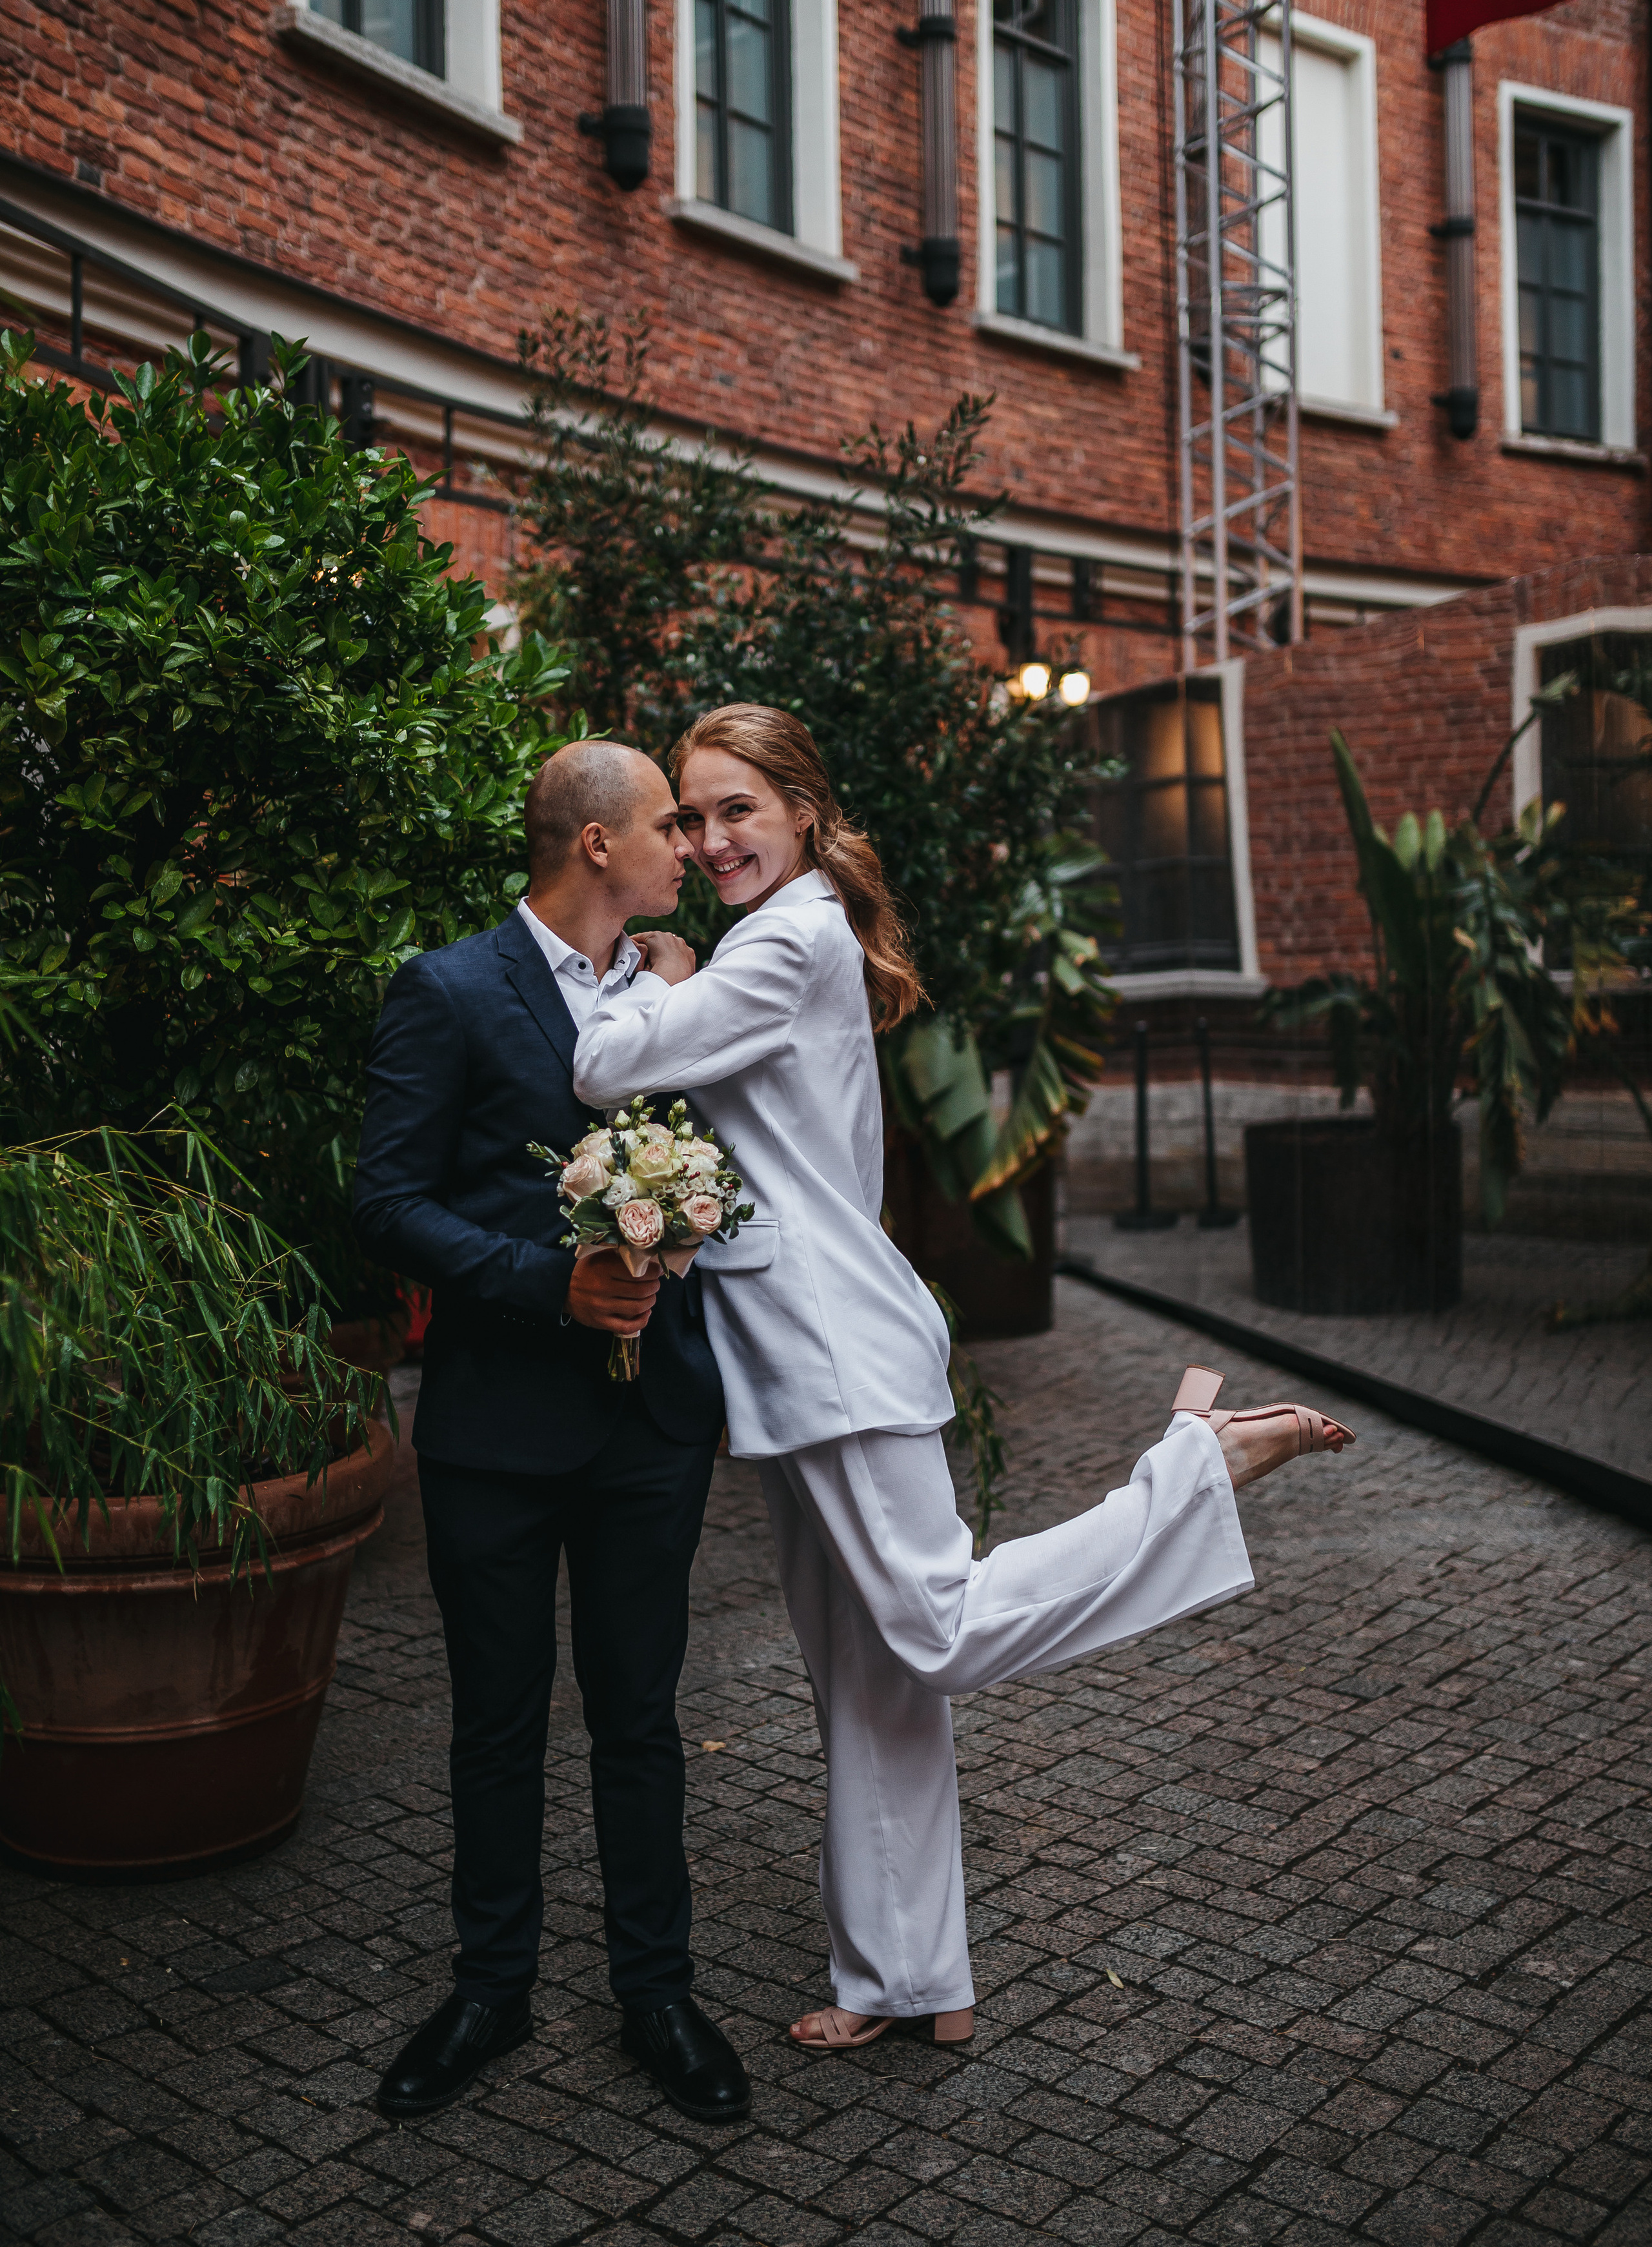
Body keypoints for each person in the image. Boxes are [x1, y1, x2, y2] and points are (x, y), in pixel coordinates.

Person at [574, 704, 1354, 2051]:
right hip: (799, 1352)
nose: (707, 840)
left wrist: (645, 968)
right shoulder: (784, 934)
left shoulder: (788, 937)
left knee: (929, 1627)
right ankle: (908, 1978)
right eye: (691, 819)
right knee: (871, 1676)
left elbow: (605, 1065)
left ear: (801, 814)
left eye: (733, 811)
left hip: (832, 1351)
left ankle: (1195, 1469)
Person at [354, 741, 750, 2123]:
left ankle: (657, 1990)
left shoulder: (673, 993)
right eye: (666, 826)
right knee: (495, 1724)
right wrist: (545, 1282)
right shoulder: (449, 988)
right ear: (595, 845)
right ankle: (488, 1989)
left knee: (642, 1717)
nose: (688, 848)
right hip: (496, 1431)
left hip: (650, 1431)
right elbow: (386, 1200)